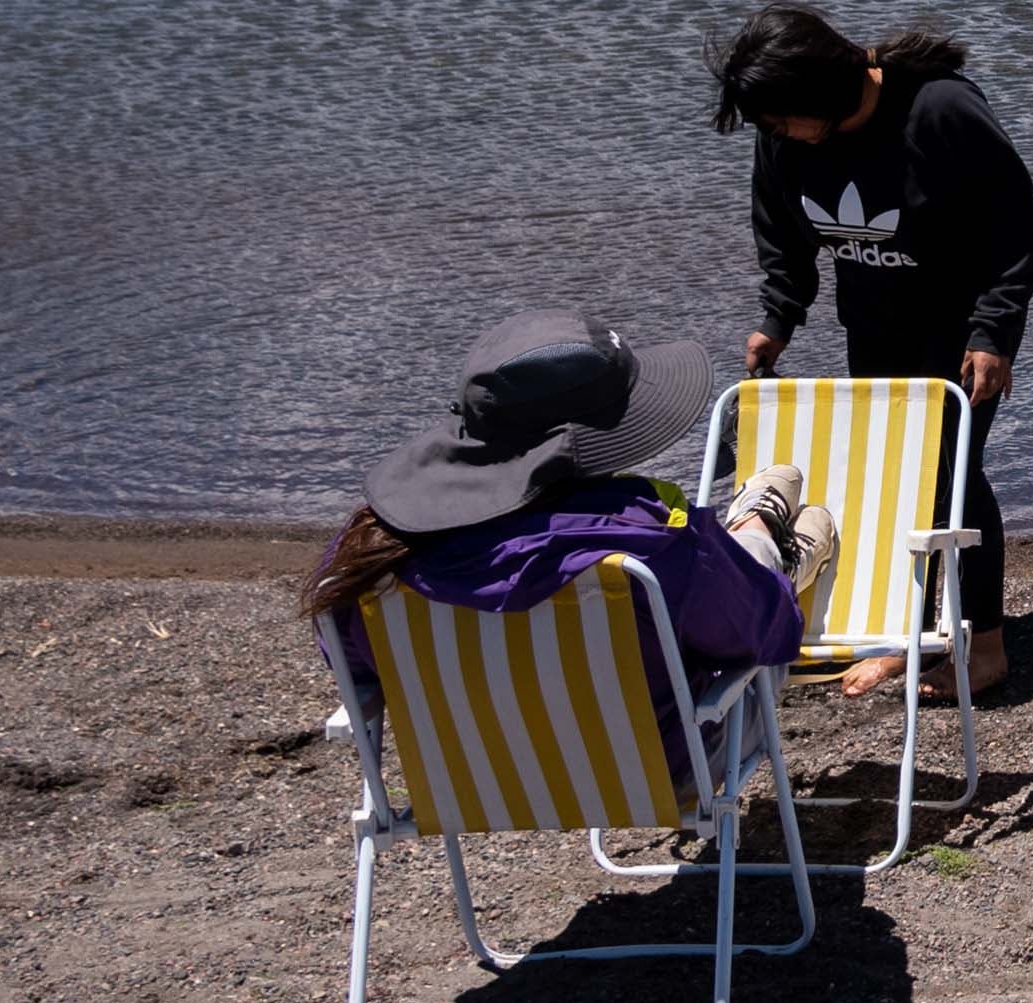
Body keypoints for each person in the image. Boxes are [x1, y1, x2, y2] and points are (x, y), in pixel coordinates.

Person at [714, 5, 1033, 702]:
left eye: (780, 119)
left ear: (822, 90)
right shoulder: (788, 135)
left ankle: (983, 649)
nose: (775, 134)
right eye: (768, 125)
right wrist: (780, 317)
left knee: (951, 474)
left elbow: (1014, 228)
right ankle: (905, 633)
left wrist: (994, 332)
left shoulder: (939, 111)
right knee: (894, 476)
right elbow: (782, 230)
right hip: (874, 326)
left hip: (960, 335)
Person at [306, 308, 807, 729]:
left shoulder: (370, 553)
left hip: (472, 783)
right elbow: (768, 631)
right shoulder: (641, 546)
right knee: (749, 579)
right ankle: (759, 526)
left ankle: (755, 525)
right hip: (659, 768)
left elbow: (358, 673)